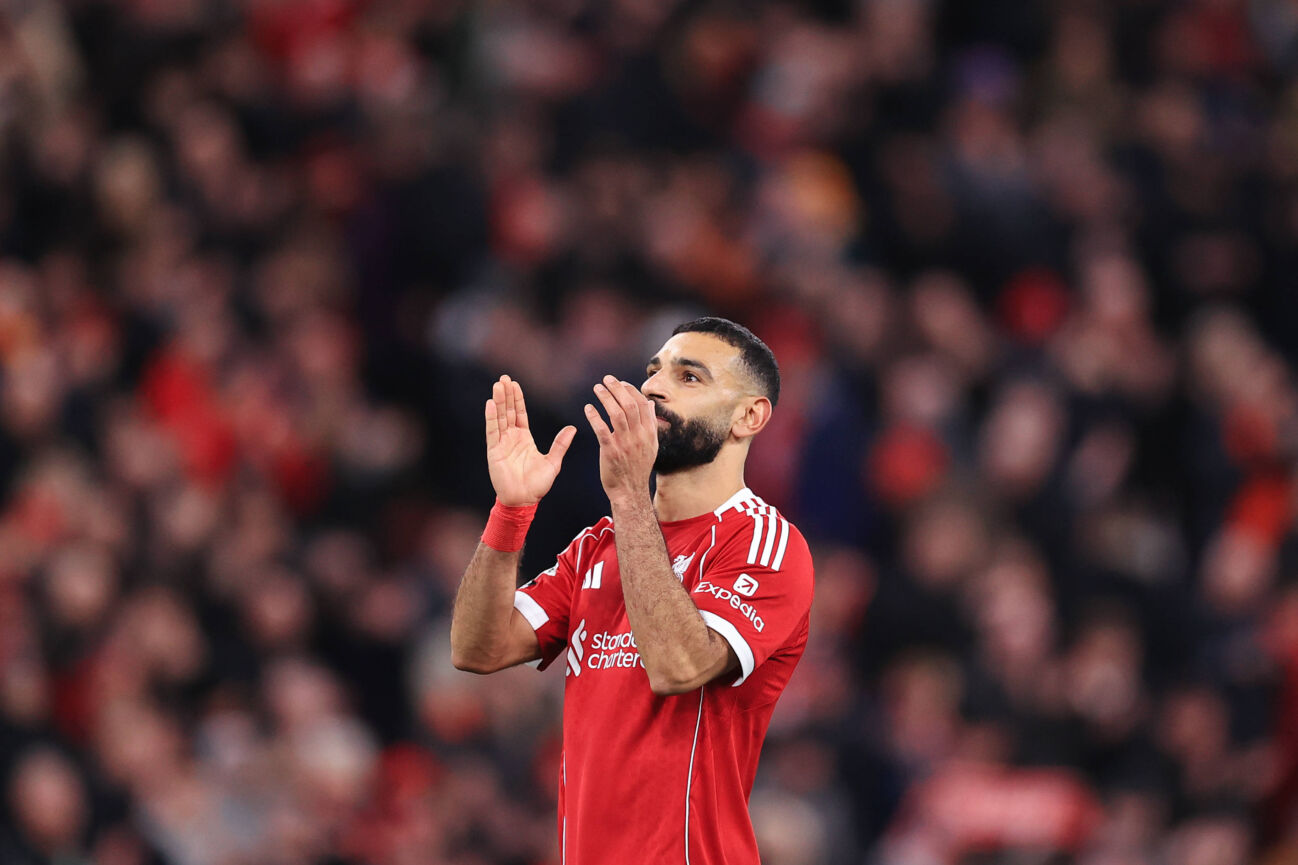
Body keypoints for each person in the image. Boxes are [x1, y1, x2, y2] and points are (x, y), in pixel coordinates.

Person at [450, 316, 815, 864]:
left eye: (689, 377)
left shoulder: (764, 542)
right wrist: (512, 511)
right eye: (653, 372)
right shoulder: (598, 546)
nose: (652, 388)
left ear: (749, 416)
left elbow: (679, 666)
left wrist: (627, 496)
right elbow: (478, 649)